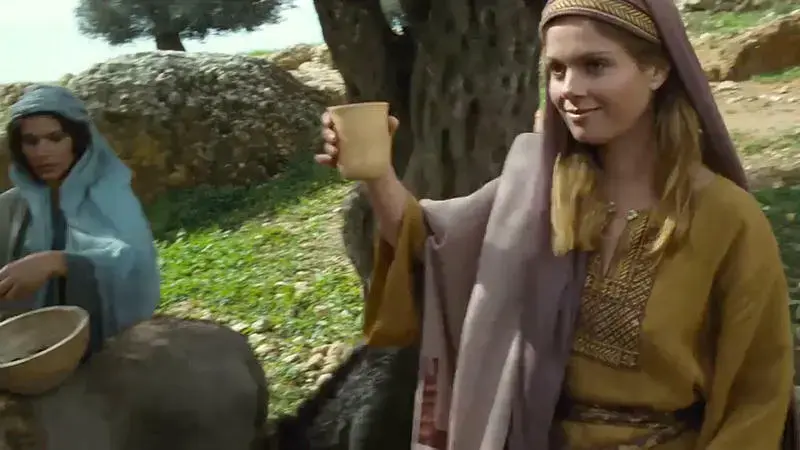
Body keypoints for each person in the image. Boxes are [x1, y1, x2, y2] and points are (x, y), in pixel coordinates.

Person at [315, 0, 796, 449]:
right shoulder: (538, 190)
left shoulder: (726, 217)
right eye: (557, 70)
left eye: (595, 65)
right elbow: (427, 246)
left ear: (656, 69)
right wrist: (377, 174)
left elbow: (757, 393)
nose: (570, 90)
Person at [0, 85, 160, 354]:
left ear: (77, 141)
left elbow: (133, 268)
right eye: (31, 141)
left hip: (103, 347)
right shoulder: (9, 206)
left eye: (55, 138)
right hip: (24, 348)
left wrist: (59, 262)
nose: (42, 152)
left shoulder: (110, 197)